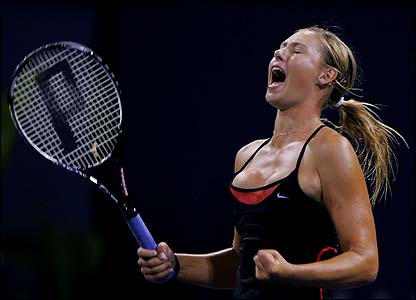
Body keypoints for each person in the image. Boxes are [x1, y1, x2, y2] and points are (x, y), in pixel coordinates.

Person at [137, 25, 407, 299]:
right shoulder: (247, 156)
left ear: (326, 76)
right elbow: (241, 263)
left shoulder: (330, 150)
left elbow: (365, 262)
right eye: (280, 47)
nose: (280, 53)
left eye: (296, 50)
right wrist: (176, 263)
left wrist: (290, 272)